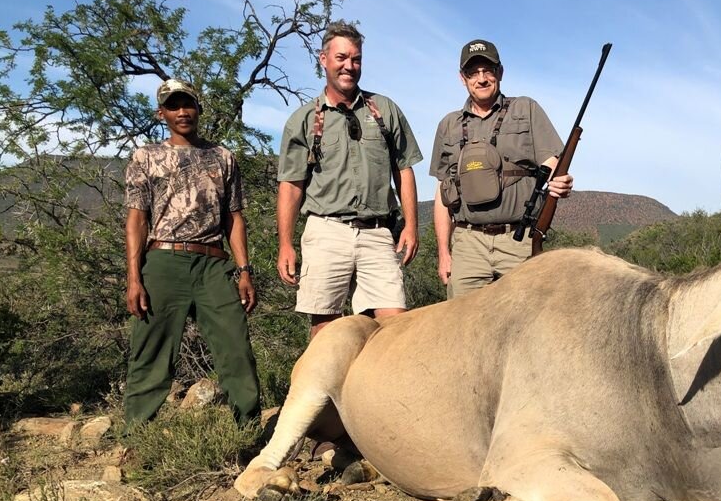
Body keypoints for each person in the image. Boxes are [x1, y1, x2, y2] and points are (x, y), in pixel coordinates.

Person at [124, 78, 260, 426]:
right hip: (163, 260)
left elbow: (235, 219)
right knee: (150, 351)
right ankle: (138, 435)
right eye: (173, 105)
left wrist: (245, 271)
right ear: (161, 113)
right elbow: (137, 220)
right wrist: (134, 278)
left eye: (188, 104)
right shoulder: (146, 157)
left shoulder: (222, 157)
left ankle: (247, 432)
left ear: (199, 108)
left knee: (235, 345)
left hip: (212, 261)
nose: (182, 112)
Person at [277, 22, 422, 338]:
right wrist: (285, 243)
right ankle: (326, 389)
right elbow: (290, 185)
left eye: (356, 59)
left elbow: (404, 169)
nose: (349, 66)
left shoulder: (384, 110)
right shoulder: (304, 120)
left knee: (395, 329)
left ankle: (379, 389)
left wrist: (411, 225)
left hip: (377, 231)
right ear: (323, 59)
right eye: (342, 57)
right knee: (326, 331)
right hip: (326, 230)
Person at [429, 39, 574, 298]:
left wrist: (558, 181)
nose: (481, 78)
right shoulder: (448, 125)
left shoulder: (525, 108)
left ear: (500, 73)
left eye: (488, 70)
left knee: (526, 324)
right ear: (463, 78)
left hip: (518, 240)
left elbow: (551, 161)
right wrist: (444, 253)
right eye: (473, 72)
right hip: (467, 244)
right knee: (462, 328)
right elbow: (442, 192)